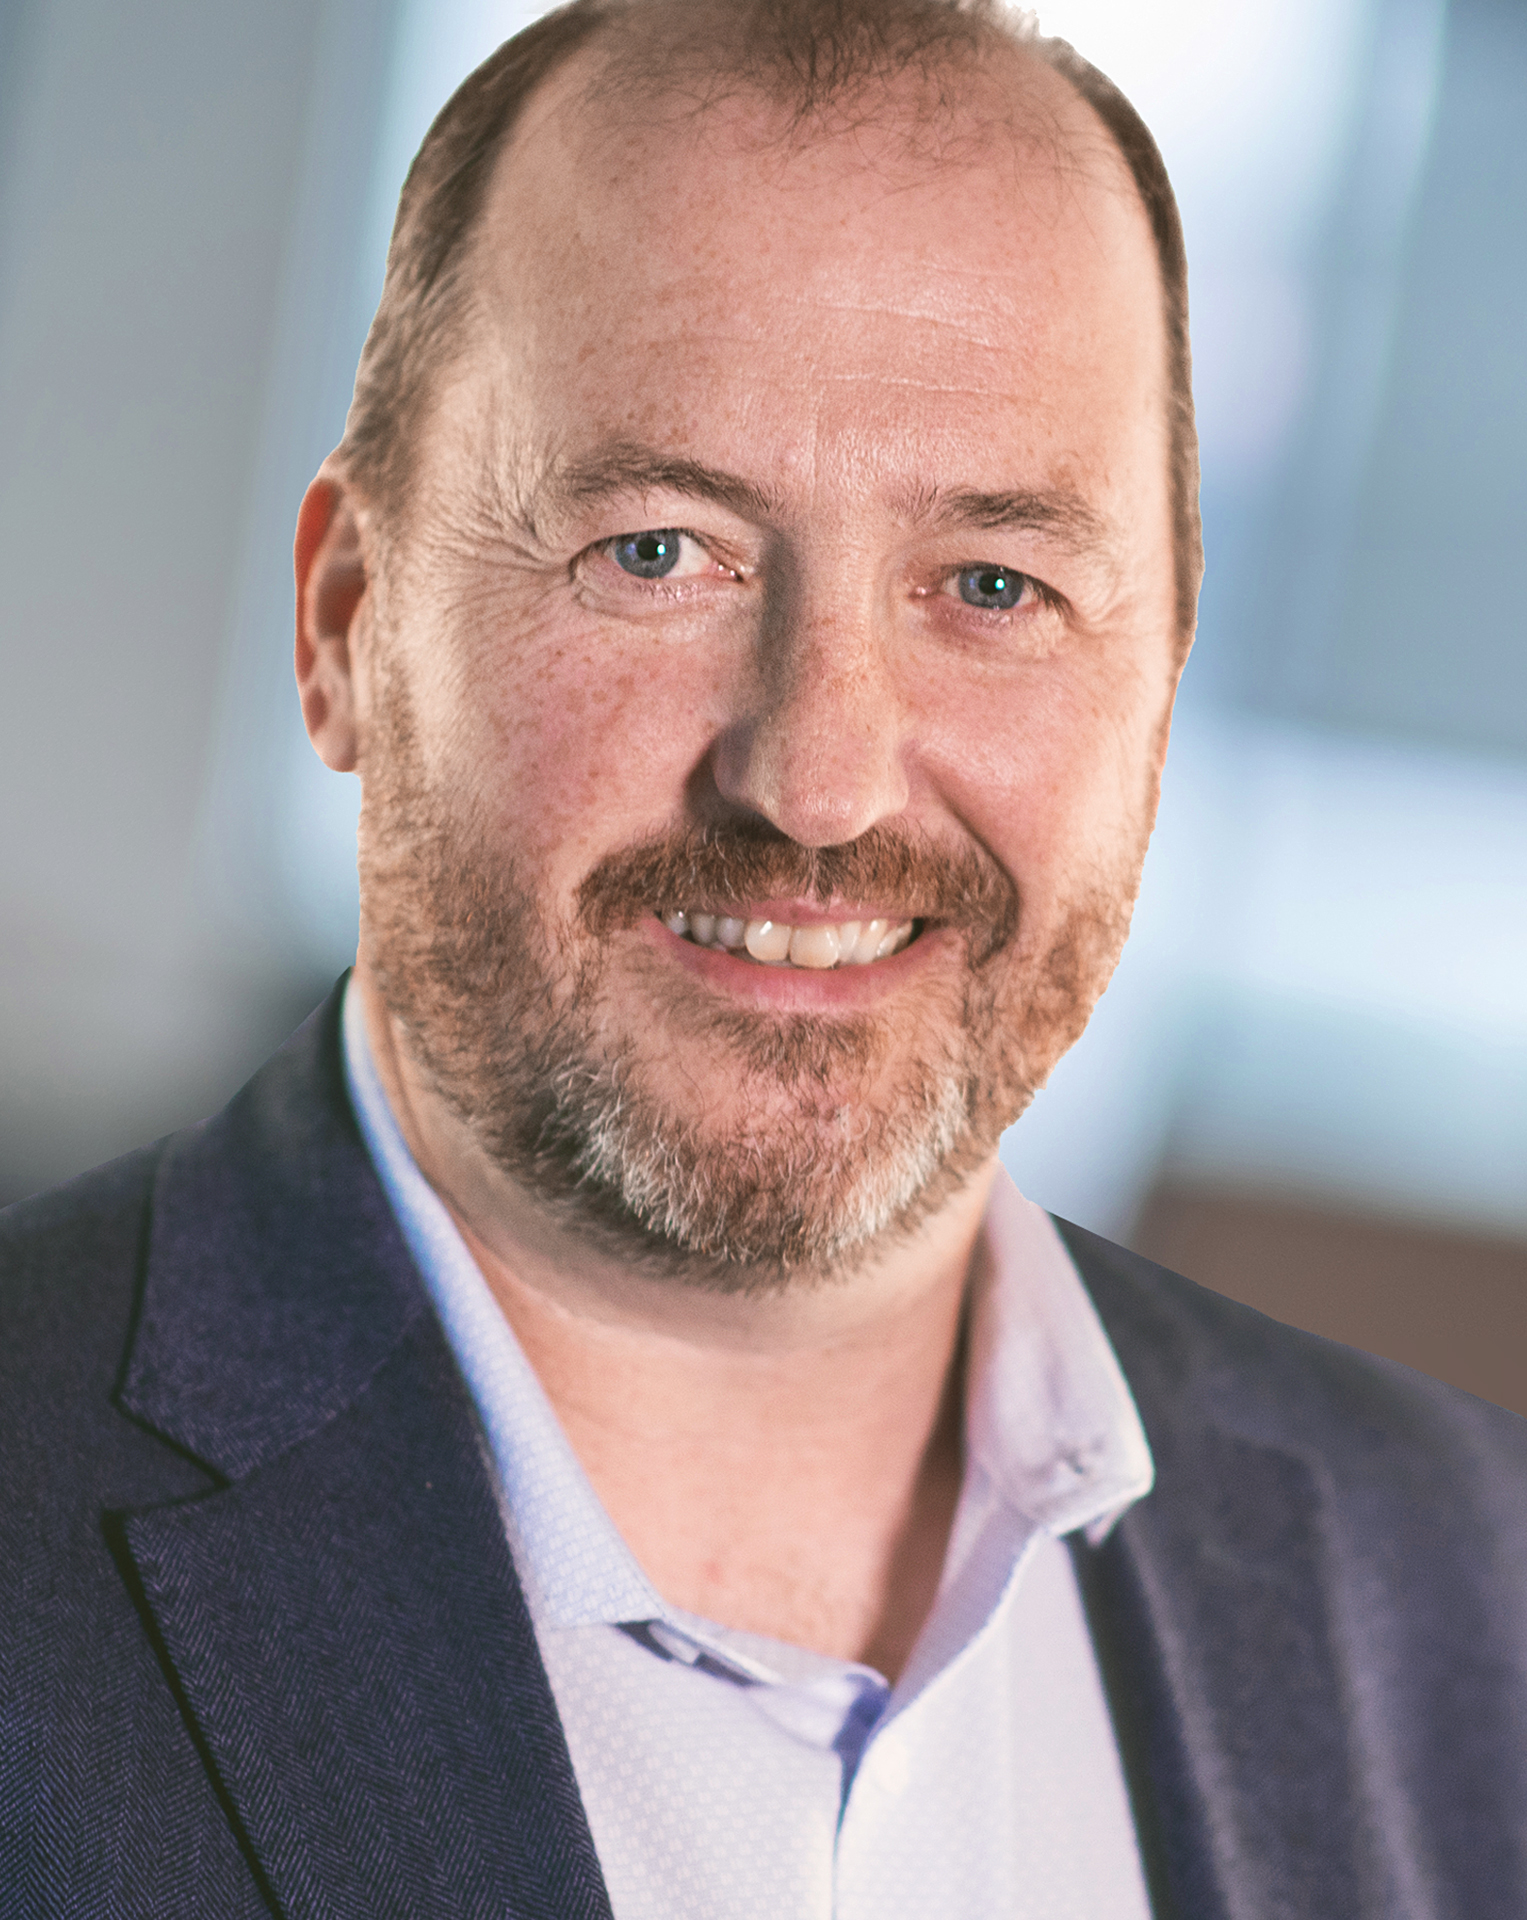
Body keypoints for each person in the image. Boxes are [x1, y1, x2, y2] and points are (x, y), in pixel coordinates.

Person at [4, 0, 1525, 1913]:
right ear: (347, 624)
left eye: (995, 586)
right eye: (658, 551)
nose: (816, 781)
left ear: (1158, 695)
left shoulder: (1472, 1595)